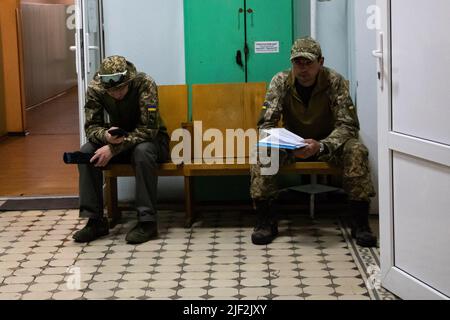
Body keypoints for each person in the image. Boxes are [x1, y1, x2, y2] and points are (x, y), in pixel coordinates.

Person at [250, 37, 377, 248]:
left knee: (357, 149)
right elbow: (266, 126)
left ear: (321, 62)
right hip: (293, 145)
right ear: (291, 63)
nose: (303, 68)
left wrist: (322, 145)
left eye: (309, 62)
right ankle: (266, 221)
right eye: (298, 62)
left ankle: (360, 223)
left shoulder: (334, 81)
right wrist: (292, 146)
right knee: (263, 151)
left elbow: (348, 125)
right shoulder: (280, 81)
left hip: (329, 144)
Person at [73, 55, 170, 244]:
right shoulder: (96, 89)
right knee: (86, 153)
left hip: (153, 141)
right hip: (117, 139)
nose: (116, 94)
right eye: (111, 91)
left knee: (142, 153)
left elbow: (148, 130)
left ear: (129, 80)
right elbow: (92, 127)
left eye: (121, 88)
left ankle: (147, 222)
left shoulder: (144, 84)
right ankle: (95, 221)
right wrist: (106, 137)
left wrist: (112, 149)